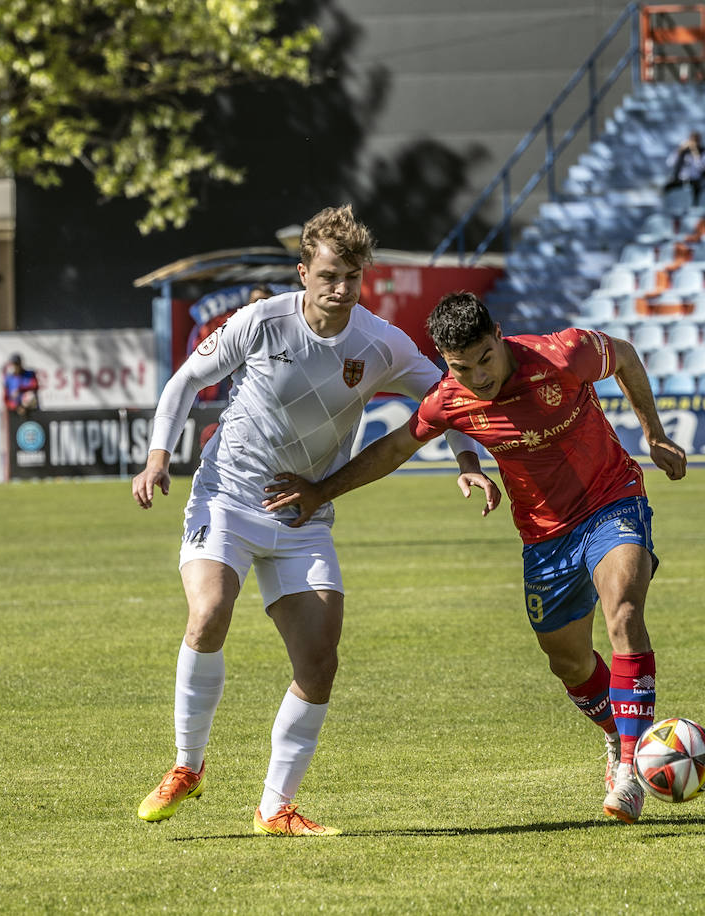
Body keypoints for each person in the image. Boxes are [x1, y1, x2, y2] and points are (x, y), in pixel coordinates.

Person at [263, 291, 688, 823]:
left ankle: (630, 769)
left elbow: (622, 354)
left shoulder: (564, 353)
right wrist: (321, 491)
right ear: (445, 360)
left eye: (486, 357)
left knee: (623, 611)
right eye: (462, 366)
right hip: (543, 536)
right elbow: (395, 448)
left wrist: (654, 432)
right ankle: (613, 732)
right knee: (569, 660)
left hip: (612, 499)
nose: (479, 376)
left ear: (499, 335)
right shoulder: (449, 398)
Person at [130, 205, 483, 837]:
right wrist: (158, 459)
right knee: (209, 612)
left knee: (319, 661)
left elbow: (444, 400)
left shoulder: (380, 343)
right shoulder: (262, 322)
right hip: (228, 498)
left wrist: (467, 461)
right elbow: (185, 381)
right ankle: (187, 765)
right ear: (303, 273)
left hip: (304, 514)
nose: (341, 289)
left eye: (351, 276)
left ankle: (275, 808)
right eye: (328, 275)